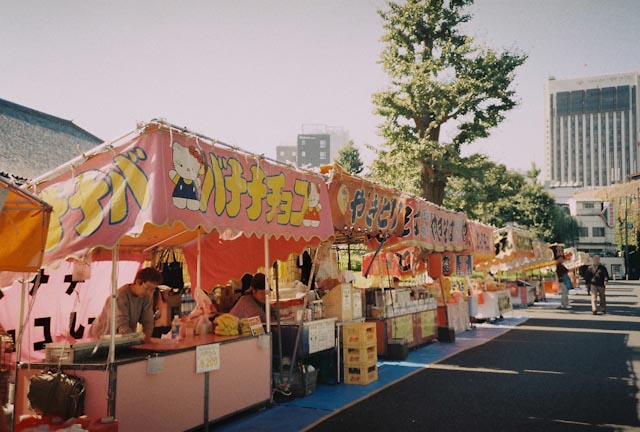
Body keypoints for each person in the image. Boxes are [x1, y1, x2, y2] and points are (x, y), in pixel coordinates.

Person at [89, 267, 163, 342]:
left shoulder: (146, 297)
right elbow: (122, 326)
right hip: (101, 337)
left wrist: (147, 338)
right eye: (148, 288)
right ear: (138, 282)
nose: (149, 293)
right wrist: (135, 341)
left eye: (153, 289)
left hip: (123, 337)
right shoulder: (119, 296)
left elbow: (148, 322)